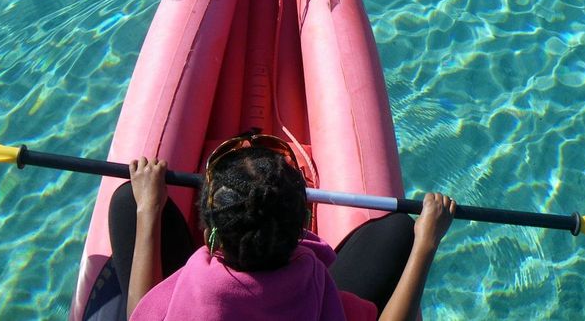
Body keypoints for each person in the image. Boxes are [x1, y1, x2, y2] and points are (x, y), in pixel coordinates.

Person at [108, 135, 456, 321]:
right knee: (397, 231)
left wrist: (148, 208)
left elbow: (139, 312)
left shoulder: (194, 290)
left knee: (127, 202)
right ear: (305, 231)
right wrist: (424, 243)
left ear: (211, 234)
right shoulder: (312, 288)